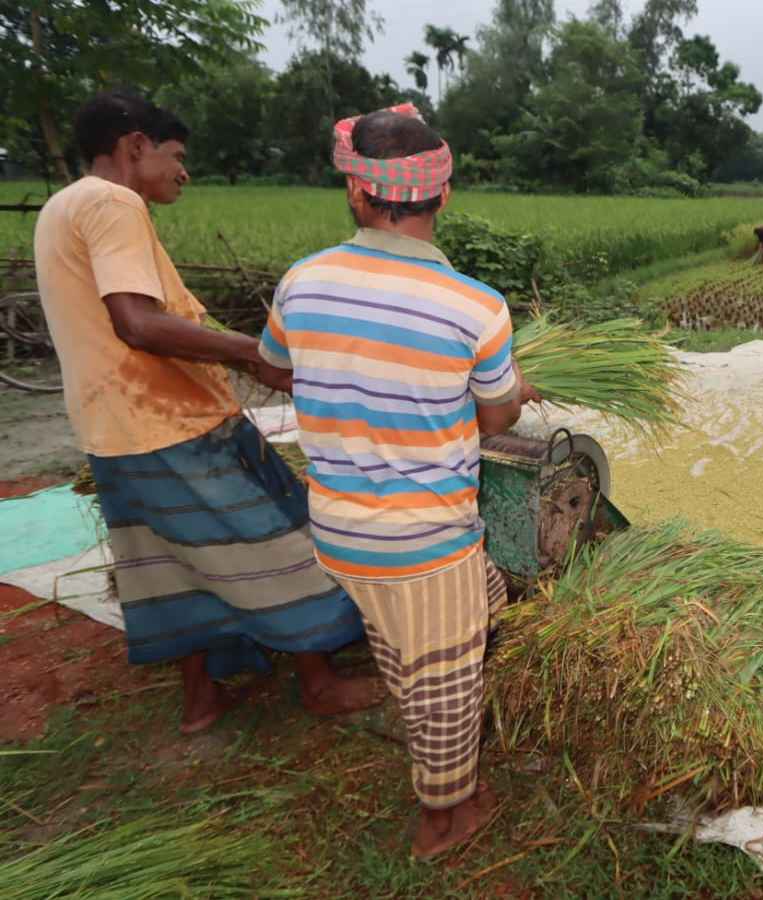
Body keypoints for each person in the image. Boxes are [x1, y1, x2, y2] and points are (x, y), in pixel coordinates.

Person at [31, 92, 381, 735]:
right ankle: (319, 682)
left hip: (112, 432)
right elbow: (137, 322)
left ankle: (200, 700)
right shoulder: (113, 203)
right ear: (136, 145)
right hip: (170, 422)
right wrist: (253, 353)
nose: (183, 172)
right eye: (176, 156)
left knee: (171, 565)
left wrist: (243, 356)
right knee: (275, 538)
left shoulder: (62, 205)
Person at [257, 104, 541, 860]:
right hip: (424, 539)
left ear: (357, 192)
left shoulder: (302, 281)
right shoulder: (476, 307)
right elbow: (495, 418)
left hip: (339, 532)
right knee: (447, 684)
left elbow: (278, 368)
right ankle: (445, 815)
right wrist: (512, 389)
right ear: (444, 194)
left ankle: (417, 696)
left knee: (425, 625)